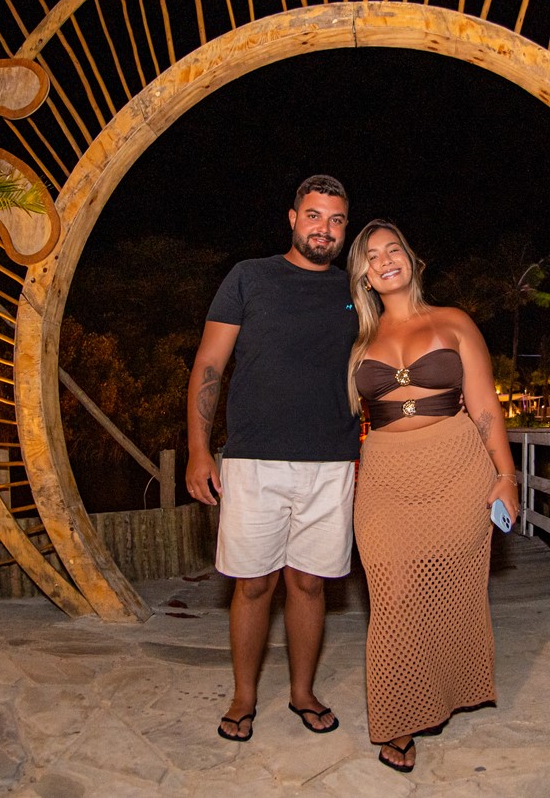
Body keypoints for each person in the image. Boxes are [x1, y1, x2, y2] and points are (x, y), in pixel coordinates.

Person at [185, 174, 360, 743]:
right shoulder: (249, 277)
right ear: (292, 218)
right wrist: (198, 450)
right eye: (314, 216)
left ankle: (302, 692)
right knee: (254, 584)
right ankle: (243, 696)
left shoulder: (356, 290)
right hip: (253, 461)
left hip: (331, 462)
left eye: (336, 220)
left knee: (309, 584)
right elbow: (209, 365)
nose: (324, 229)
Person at [345, 219, 522, 773]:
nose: (384, 259)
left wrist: (506, 475)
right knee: (392, 594)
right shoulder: (358, 343)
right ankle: (398, 718)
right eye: (372, 256)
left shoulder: (454, 321)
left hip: (456, 467)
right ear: (364, 276)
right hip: (385, 475)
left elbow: (485, 406)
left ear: (411, 258)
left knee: (446, 590)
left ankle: (438, 694)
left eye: (392, 248)